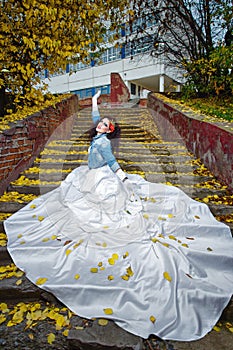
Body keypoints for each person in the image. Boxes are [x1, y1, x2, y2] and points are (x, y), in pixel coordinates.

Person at [4, 92, 233, 341]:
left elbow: (112, 162)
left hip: (102, 178)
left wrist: (123, 178)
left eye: (105, 124)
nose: (100, 124)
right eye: (101, 122)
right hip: (90, 176)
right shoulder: (98, 134)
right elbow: (94, 118)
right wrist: (94, 102)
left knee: (105, 209)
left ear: (109, 131)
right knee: (76, 198)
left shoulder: (103, 143)